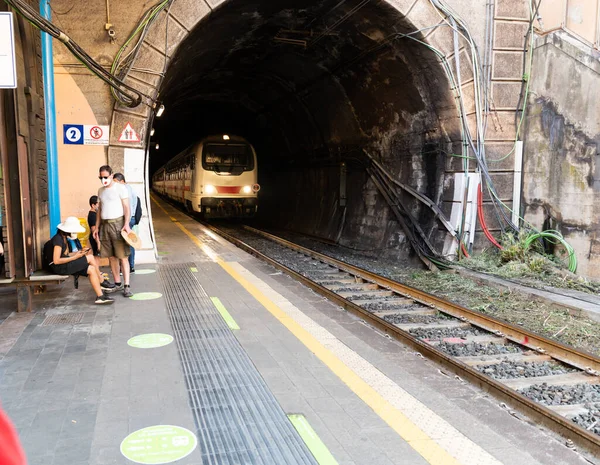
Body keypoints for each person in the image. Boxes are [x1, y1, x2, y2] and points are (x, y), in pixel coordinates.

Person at [43, 217, 114, 305]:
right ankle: (102, 281)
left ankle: (100, 296)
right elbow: (56, 260)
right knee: (91, 257)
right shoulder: (58, 240)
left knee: (91, 269)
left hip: (64, 264)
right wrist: (75, 257)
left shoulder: (64, 239)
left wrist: (79, 253)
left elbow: (67, 255)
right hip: (58, 267)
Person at [93, 165, 133, 297]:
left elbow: (127, 207)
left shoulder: (120, 188)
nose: (103, 179)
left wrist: (126, 224)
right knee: (111, 256)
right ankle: (117, 283)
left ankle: (126, 285)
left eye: (105, 176)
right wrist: (97, 227)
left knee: (123, 256)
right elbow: (99, 211)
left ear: (111, 175)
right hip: (105, 225)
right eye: (101, 177)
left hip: (118, 224)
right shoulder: (100, 191)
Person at [113, 173, 140, 273]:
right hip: (129, 219)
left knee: (125, 243)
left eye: (116, 182)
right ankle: (130, 266)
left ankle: (126, 267)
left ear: (122, 181)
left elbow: (126, 207)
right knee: (128, 242)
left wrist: (125, 222)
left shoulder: (125, 190)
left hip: (127, 219)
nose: (114, 185)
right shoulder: (128, 188)